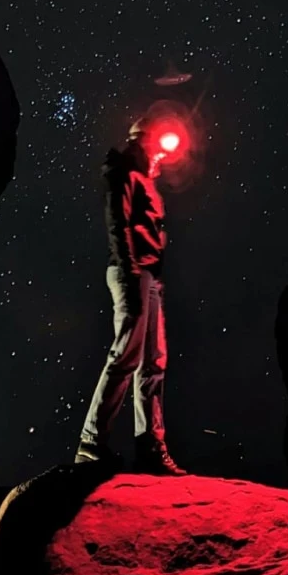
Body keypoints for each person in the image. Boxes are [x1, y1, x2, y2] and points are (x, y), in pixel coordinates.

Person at [75, 115, 186, 475]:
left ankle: (150, 447)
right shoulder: (123, 171)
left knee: (153, 361)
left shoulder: (145, 178)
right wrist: (131, 269)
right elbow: (118, 224)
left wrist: (150, 275)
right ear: (146, 141)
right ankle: (91, 444)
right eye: (159, 147)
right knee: (126, 355)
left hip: (147, 274)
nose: (162, 156)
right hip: (132, 271)